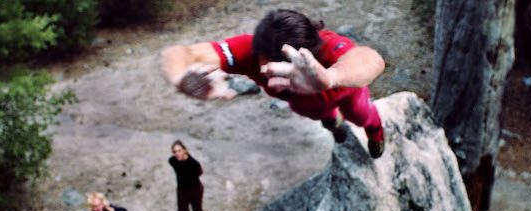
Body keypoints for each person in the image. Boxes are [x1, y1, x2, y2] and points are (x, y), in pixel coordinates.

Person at [160, 9, 387, 158]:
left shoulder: (328, 46)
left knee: (360, 114)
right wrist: (184, 79)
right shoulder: (248, 51)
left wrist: (331, 78)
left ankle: (375, 133)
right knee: (323, 116)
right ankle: (333, 124)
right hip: (308, 106)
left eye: (283, 72)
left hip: (345, 94)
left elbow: (371, 61)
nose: (272, 80)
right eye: (266, 68)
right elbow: (180, 53)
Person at [169, 140, 206, 211]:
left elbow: (200, 172)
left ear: (185, 150)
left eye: (179, 151)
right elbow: (173, 163)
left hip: (195, 189)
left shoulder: (194, 164)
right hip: (181, 190)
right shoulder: (172, 161)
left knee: (197, 210)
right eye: (175, 151)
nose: (177, 154)